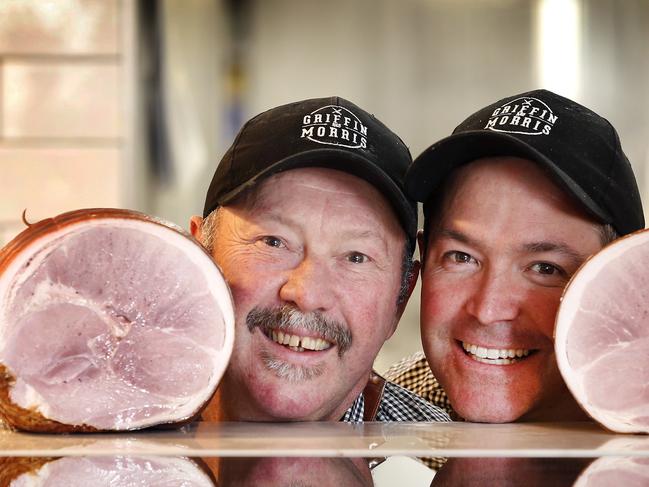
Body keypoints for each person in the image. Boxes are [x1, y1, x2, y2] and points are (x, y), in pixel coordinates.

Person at [387, 89, 645, 423]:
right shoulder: (392, 416)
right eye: (462, 258)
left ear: (628, 289)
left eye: (545, 268)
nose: (489, 310)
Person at [190, 96, 450, 422]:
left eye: (356, 257)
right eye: (274, 242)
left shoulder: (437, 464)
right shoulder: (113, 427)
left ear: (401, 299)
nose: (307, 294)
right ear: (197, 257)